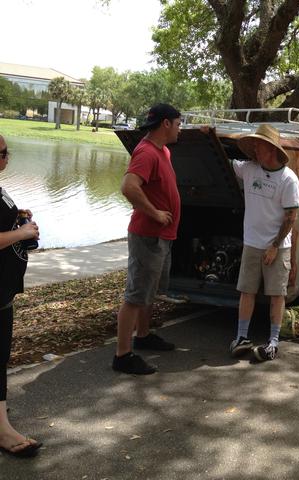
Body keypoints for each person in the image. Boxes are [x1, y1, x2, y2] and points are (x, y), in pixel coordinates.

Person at [112, 104, 182, 375]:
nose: (180, 129)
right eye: (178, 123)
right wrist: (154, 213)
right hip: (147, 236)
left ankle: (143, 336)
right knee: (135, 295)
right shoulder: (147, 152)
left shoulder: (163, 151)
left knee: (148, 292)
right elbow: (128, 187)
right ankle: (122, 355)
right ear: (166, 123)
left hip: (161, 236)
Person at [229, 124, 299, 362]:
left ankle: (273, 342)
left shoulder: (288, 179)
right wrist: (206, 137)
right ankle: (241, 337)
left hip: (277, 247)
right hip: (251, 243)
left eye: (258, 145)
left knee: (276, 294)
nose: (254, 149)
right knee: (246, 290)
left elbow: (291, 217)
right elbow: (222, 161)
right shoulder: (248, 169)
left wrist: (274, 246)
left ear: (271, 149)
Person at [0, 135, 43, 457]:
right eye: (3, 154)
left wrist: (16, 217)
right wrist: (23, 232)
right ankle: (3, 431)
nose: (7, 158)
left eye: (7, 152)